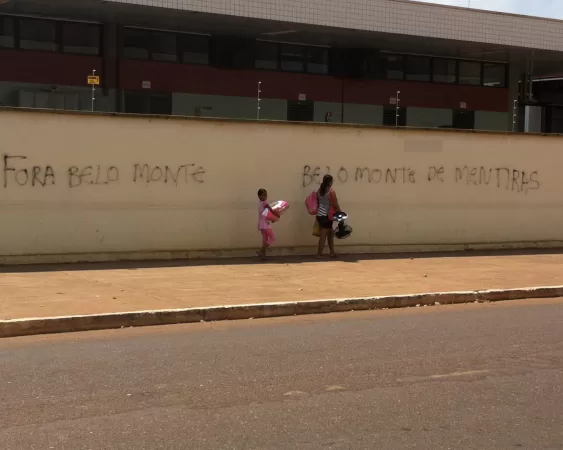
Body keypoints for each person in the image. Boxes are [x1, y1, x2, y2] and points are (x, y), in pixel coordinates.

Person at [316, 174, 341, 258]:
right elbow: (335, 204)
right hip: (326, 216)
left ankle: (332, 252)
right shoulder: (331, 191)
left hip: (319, 215)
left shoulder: (319, 191)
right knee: (323, 235)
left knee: (330, 233)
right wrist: (340, 213)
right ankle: (319, 253)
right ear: (330, 182)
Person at [257, 188, 279, 260]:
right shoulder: (264, 203)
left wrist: (272, 219)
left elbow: (266, 214)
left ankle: (263, 255)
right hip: (265, 225)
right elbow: (271, 210)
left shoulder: (260, 204)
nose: (265, 197)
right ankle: (261, 251)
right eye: (263, 195)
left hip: (261, 224)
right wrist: (277, 215)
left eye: (266, 195)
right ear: (259, 196)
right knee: (272, 238)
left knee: (265, 240)